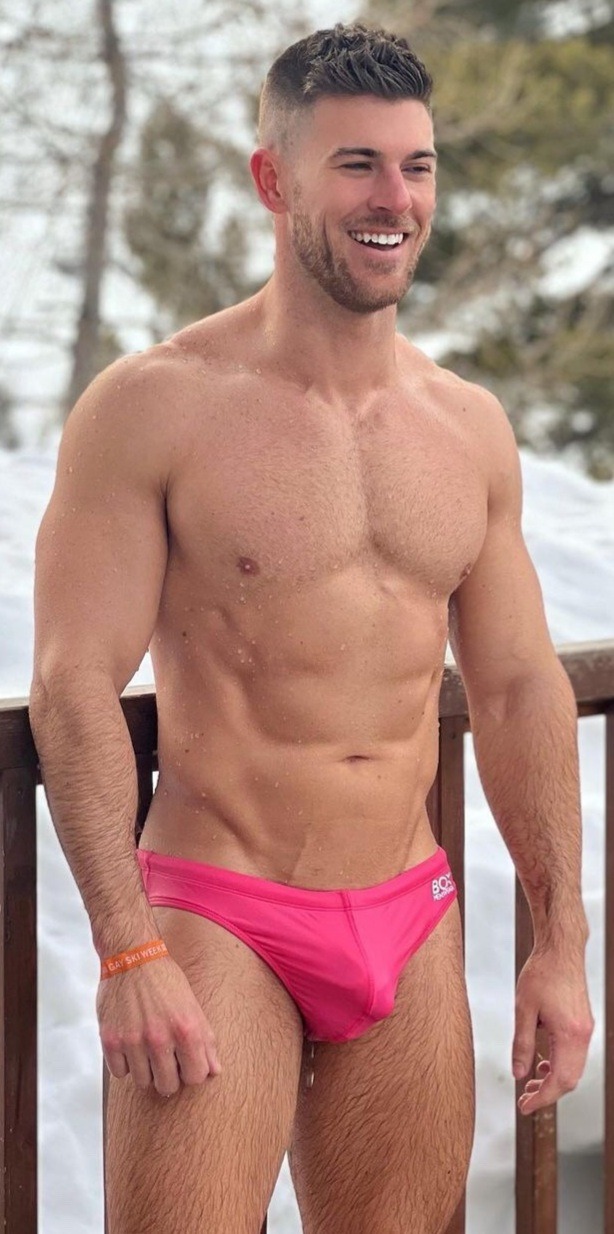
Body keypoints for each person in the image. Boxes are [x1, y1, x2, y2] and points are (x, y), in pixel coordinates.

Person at [29, 21, 594, 1234]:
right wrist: (125, 950)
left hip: (407, 909)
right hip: (217, 910)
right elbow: (74, 682)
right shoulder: (153, 407)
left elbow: (514, 687)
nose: (394, 199)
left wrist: (559, 939)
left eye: (416, 165)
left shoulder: (464, 426)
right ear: (272, 179)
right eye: (355, 165)